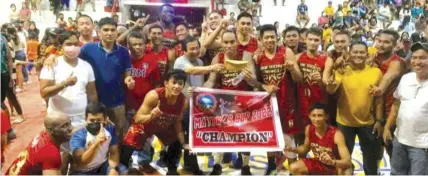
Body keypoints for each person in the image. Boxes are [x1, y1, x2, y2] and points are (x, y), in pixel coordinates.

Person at [325, 41, 383, 175]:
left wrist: (379, 121)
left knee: (370, 160)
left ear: (367, 54)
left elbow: (379, 99)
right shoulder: (341, 71)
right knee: (344, 160)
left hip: (368, 123)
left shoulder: (376, 72)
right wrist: (331, 85)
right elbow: (331, 90)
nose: (358, 55)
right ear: (349, 54)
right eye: (355, 52)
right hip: (344, 122)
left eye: (361, 52)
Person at [204, 31, 256, 175]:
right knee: (221, 134)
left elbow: (254, 79)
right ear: (221, 43)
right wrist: (199, 92)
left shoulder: (246, 56)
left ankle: (246, 167)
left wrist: (248, 77)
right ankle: (217, 166)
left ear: (237, 41)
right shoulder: (217, 58)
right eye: (225, 42)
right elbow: (211, 81)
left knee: (244, 135)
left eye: (232, 42)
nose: (229, 45)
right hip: (223, 102)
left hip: (243, 102)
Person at [252, 24, 302, 174]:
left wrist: (292, 69)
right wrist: (263, 86)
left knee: (289, 138)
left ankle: (293, 167)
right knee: (269, 136)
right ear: (260, 39)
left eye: (272, 37)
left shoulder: (286, 52)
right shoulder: (257, 57)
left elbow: (299, 79)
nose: (269, 40)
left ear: (277, 37)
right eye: (266, 37)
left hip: (287, 103)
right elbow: (256, 83)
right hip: (268, 104)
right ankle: (272, 166)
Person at [78, 17, 135, 142]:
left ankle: (115, 159)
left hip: (117, 102)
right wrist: (53, 58)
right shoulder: (88, 49)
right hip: (94, 102)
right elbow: (74, 62)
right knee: (95, 134)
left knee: (118, 133)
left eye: (112, 30)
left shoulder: (124, 52)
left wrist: (129, 80)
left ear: (117, 33)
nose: (109, 33)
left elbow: (127, 73)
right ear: (99, 32)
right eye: (106, 30)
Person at [122, 69, 189, 175]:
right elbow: (137, 119)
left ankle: (172, 169)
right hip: (147, 124)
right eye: (174, 82)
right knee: (133, 134)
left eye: (180, 84)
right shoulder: (154, 95)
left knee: (178, 139)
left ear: (183, 86)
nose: (177, 86)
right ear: (166, 83)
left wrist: (183, 143)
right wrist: (151, 115)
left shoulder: (183, 101)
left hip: (165, 127)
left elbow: (177, 122)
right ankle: (123, 165)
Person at [173, 36, 221, 174]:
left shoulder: (200, 61)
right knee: (187, 136)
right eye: (191, 49)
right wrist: (212, 67)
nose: (195, 51)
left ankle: (196, 165)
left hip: (199, 106)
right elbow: (191, 71)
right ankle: (191, 167)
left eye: (197, 48)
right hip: (184, 106)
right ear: (183, 50)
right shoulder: (180, 62)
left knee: (197, 134)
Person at [383, 42, 428, 175]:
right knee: (397, 173)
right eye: (414, 57)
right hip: (400, 139)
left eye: (423, 58)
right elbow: (397, 104)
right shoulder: (406, 79)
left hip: (422, 146)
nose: (417, 62)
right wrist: (387, 127)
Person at [39, 31, 98, 129]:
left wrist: (95, 114)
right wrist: (64, 84)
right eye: (69, 44)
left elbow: (92, 93)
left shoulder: (86, 66)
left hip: (81, 119)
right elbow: (44, 93)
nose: (73, 47)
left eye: (76, 44)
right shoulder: (52, 65)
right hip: (58, 121)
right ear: (61, 46)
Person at [286, 103, 353, 175]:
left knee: (347, 172)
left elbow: (347, 162)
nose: (316, 119)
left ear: (326, 117)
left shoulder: (337, 134)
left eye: (320, 116)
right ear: (309, 116)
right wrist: (293, 149)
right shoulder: (308, 129)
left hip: (336, 165)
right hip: (319, 163)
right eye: (314, 116)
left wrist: (333, 162)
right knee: (293, 167)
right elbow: (305, 148)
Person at [6, 112, 73, 175]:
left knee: (65, 157)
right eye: (64, 126)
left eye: (69, 123)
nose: (71, 128)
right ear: (51, 130)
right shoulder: (50, 152)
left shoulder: (44, 134)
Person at [296, 27, 327, 144]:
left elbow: (327, 89)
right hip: (300, 105)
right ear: (305, 40)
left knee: (320, 141)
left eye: (316, 40)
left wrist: (320, 81)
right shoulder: (297, 57)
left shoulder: (326, 60)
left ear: (321, 41)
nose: (313, 43)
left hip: (318, 105)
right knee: (300, 140)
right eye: (310, 39)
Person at [70, 103, 120, 175]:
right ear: (86, 120)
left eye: (99, 120)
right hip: (83, 171)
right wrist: (96, 143)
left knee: (123, 170)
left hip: (102, 166)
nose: (95, 123)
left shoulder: (110, 129)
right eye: (92, 120)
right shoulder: (78, 135)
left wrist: (113, 169)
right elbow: (81, 162)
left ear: (105, 119)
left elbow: (113, 152)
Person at [322, 31, 350, 126]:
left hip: (351, 96)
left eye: (342, 42)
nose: (339, 44)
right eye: (337, 42)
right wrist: (335, 66)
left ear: (349, 42)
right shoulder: (331, 55)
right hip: (335, 97)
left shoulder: (355, 54)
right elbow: (326, 74)